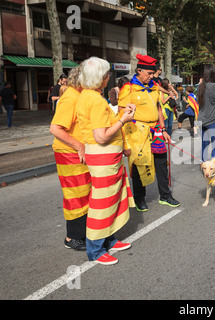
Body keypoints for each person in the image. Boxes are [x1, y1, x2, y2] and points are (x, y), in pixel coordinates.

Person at [76, 57, 136, 266]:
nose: (108, 78)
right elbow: (101, 136)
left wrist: (120, 114)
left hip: (105, 156)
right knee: (102, 203)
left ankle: (107, 240)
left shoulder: (88, 96)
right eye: (106, 75)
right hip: (103, 156)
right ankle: (96, 249)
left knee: (110, 199)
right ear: (99, 78)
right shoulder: (94, 100)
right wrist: (123, 120)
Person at [118, 54, 180, 212]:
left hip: (156, 131)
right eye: (149, 74)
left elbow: (158, 108)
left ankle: (165, 195)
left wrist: (163, 129)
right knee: (139, 166)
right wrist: (124, 142)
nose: (152, 77)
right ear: (139, 71)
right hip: (137, 134)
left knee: (161, 164)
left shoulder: (153, 87)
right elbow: (121, 114)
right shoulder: (128, 89)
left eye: (153, 74)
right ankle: (139, 198)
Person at [49, 66, 89, 251]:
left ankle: (81, 233)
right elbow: (56, 128)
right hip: (69, 152)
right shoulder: (71, 97)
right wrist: (79, 145)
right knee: (75, 194)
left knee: (84, 193)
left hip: (77, 152)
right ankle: (72, 237)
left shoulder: (79, 95)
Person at [197, 64, 215, 162]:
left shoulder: (200, 86)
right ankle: (214, 165)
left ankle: (204, 164)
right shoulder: (214, 86)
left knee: (204, 143)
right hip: (211, 120)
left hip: (201, 119)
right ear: (213, 74)